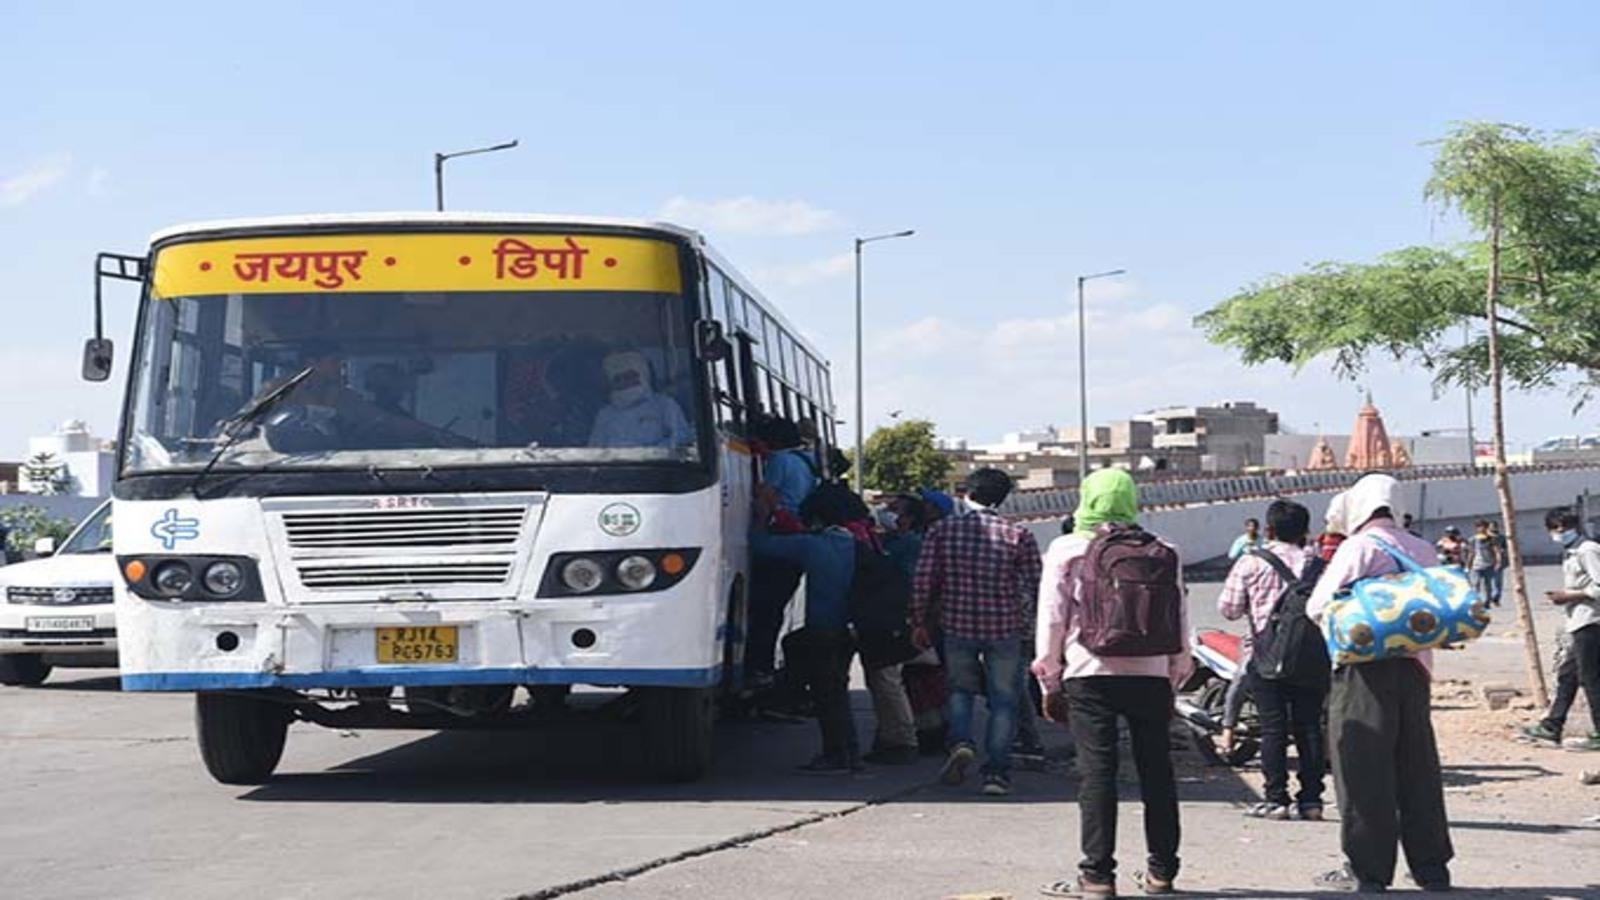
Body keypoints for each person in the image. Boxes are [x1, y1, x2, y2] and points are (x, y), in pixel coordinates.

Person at [1034, 468, 1190, 898]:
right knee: (1157, 770)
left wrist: (1049, 679)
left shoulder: (1067, 549)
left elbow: (1052, 618)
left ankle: (1097, 876)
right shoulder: (1164, 550)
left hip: (1089, 672)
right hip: (1151, 674)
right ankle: (1162, 872)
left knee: (1097, 773)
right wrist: (1175, 673)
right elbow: (1178, 616)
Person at [1307, 473, 1453, 893]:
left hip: (1364, 670)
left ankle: (1367, 870)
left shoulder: (1359, 547)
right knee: (1417, 767)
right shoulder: (1423, 548)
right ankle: (1431, 868)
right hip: (1416, 668)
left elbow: (1318, 606)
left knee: (1363, 767)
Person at [911, 468, 1042, 797]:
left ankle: (961, 742)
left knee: (960, 691)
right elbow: (1035, 585)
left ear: (966, 493)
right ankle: (996, 774)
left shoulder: (942, 530)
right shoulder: (1018, 534)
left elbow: (924, 580)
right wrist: (1033, 628)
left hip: (956, 625)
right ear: (1002, 498)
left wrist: (918, 621)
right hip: (1005, 628)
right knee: (1004, 701)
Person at [1218, 500, 1328, 821]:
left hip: (1266, 655)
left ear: (1268, 530)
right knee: (1310, 726)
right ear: (1306, 531)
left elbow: (1229, 609)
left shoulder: (1251, 562)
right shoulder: (1321, 566)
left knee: (1273, 728)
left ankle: (1276, 799)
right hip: (1311, 655)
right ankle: (1311, 801)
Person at [750, 484, 861, 773]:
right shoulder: (853, 542)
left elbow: (759, 544)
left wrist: (763, 513)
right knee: (837, 692)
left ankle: (836, 755)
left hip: (822, 627)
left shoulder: (811, 545)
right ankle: (850, 753)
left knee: (827, 696)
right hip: (850, 628)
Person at [1516, 508, 1600, 751]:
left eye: (1565, 528)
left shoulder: (1588, 550)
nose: (1560, 533)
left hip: (1592, 621)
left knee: (1591, 679)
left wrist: (1570, 596)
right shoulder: (1571, 552)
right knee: (1568, 676)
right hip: (1579, 620)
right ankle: (1552, 726)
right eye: (1556, 529)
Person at [588, 350, 693, 448]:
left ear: (642, 376)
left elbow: (681, 438)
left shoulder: (664, 405)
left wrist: (652, 452)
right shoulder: (605, 415)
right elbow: (595, 450)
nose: (624, 382)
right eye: (618, 379)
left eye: (628, 376)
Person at [1465, 519, 1504, 608]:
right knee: (1476, 583)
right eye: (1479, 527)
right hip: (1476, 565)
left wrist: (1498, 562)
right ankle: (1476, 601)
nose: (1481, 529)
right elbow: (1471, 553)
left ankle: (1487, 601)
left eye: (1484, 527)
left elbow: (1497, 551)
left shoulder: (1492, 539)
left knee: (1487, 585)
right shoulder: (1473, 539)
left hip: (1488, 565)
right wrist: (1468, 565)